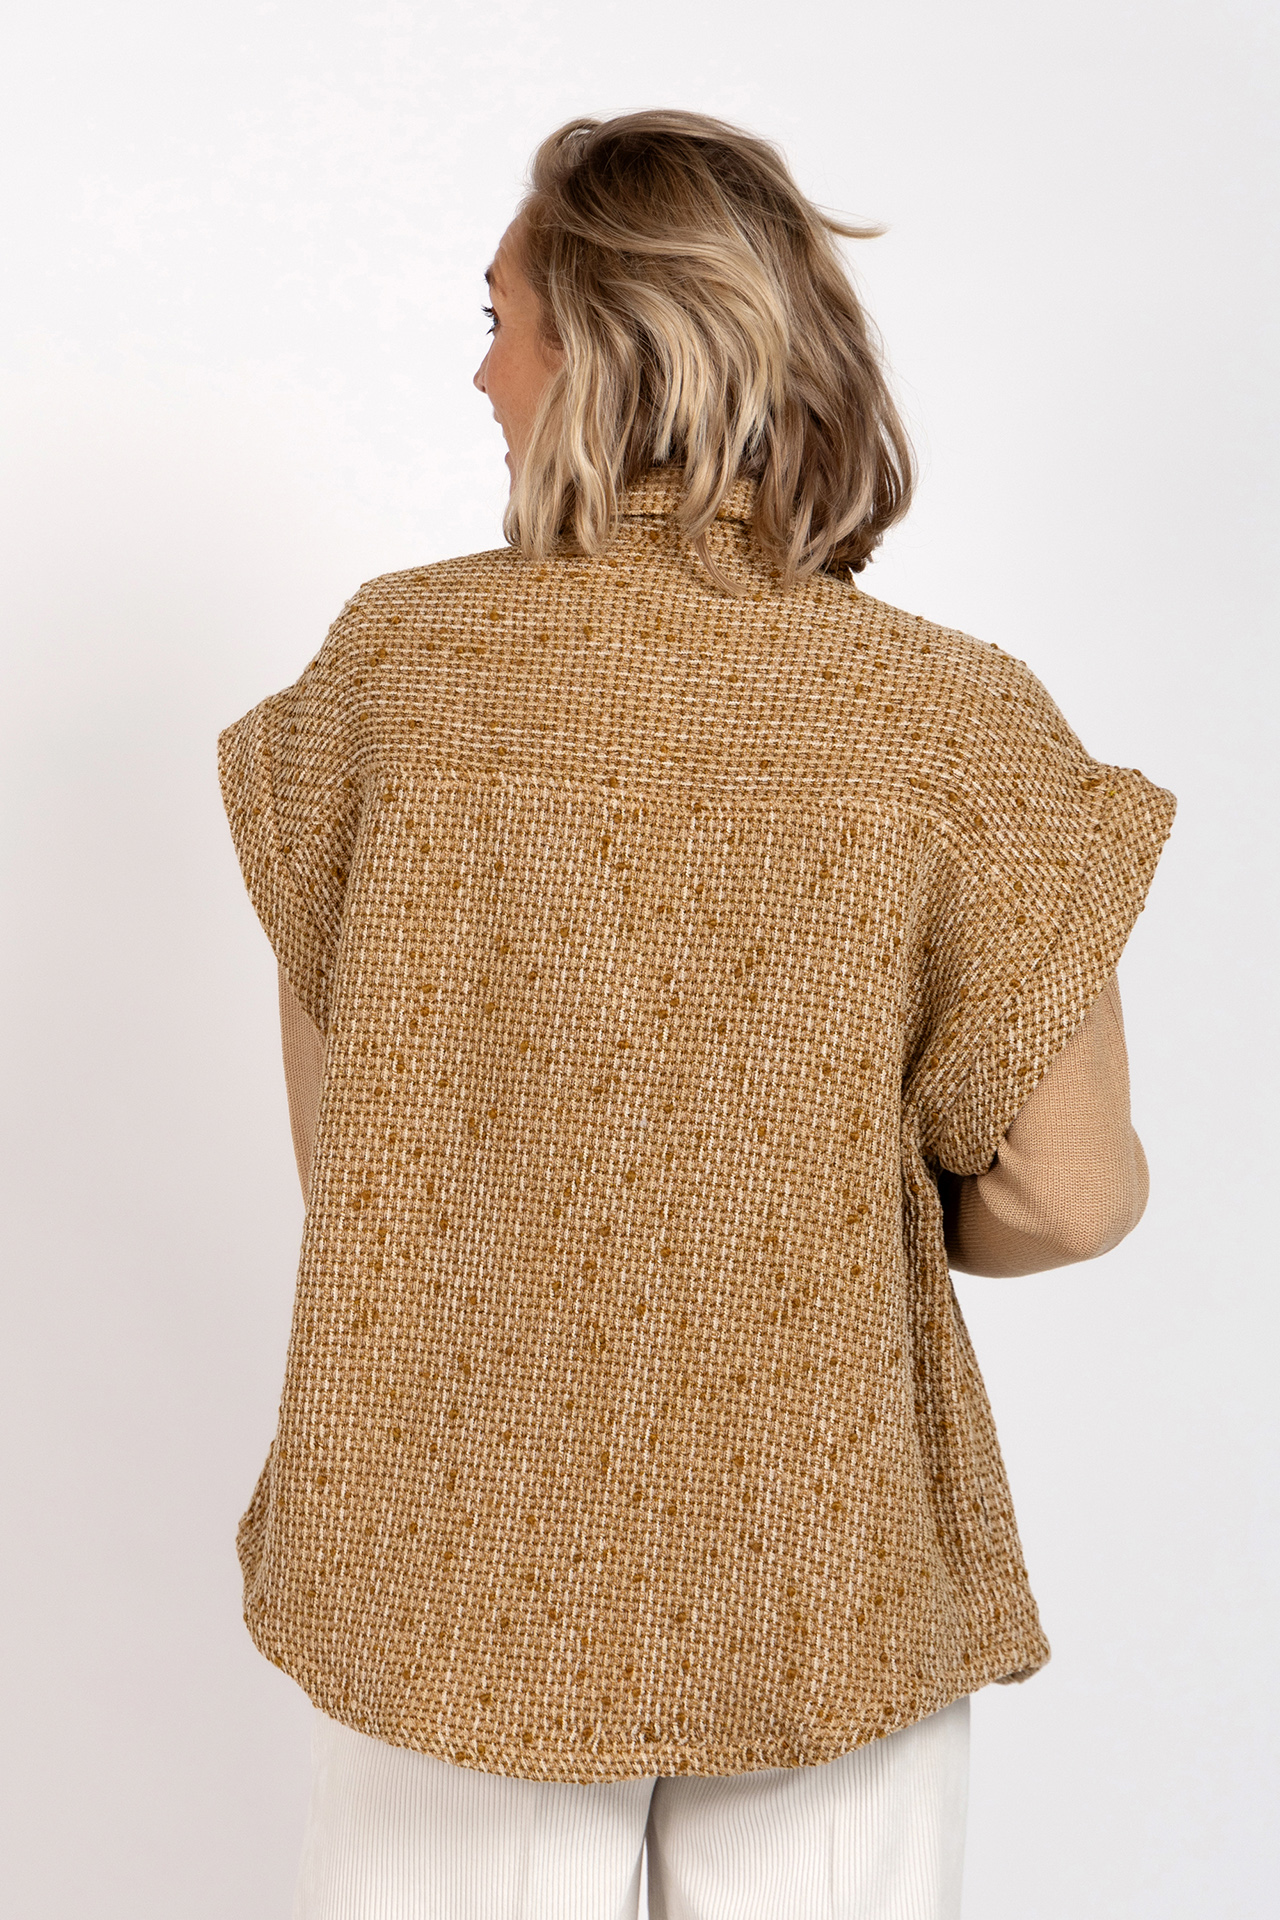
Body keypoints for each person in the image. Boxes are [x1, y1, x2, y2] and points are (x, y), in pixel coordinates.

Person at [219, 111, 1174, 1920]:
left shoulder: (394, 681)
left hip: (451, 1560)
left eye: (499, 317)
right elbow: (1072, 1193)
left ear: (603, 345)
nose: (480, 371)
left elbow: (361, 1177)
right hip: (822, 1561)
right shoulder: (947, 723)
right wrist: (826, 1227)